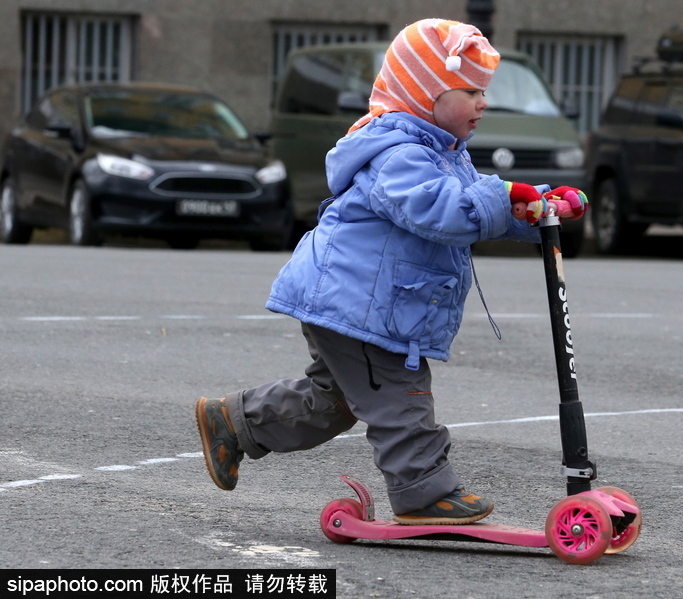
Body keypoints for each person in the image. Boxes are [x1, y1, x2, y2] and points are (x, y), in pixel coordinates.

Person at [195, 18, 587, 525]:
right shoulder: (397, 154)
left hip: (364, 304)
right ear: (424, 94)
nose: (482, 102)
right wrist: (505, 195)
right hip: (361, 307)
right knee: (401, 399)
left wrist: (537, 215)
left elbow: (470, 209)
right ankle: (422, 492)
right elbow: (439, 211)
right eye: (469, 90)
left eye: (483, 92)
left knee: (335, 402)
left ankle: (236, 420)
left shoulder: (444, 154)